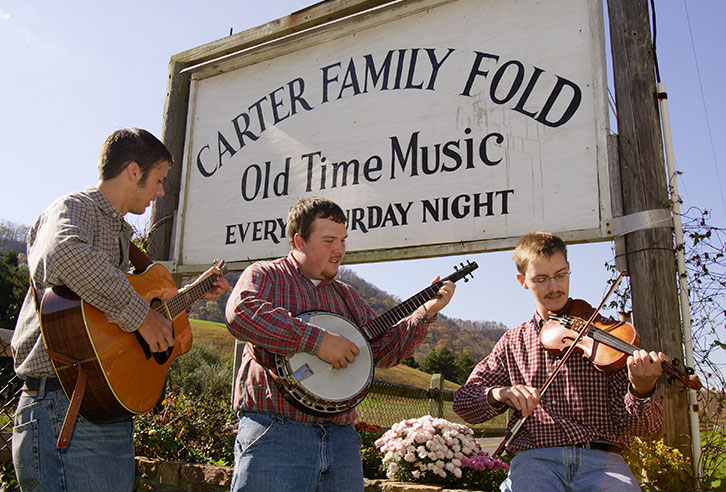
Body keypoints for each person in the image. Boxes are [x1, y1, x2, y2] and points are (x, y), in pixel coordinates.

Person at [11, 128, 230, 492]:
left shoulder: (120, 236)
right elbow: (63, 256)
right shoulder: (75, 207)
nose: (160, 191)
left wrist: (191, 295)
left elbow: (111, 315)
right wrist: (142, 316)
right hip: (63, 407)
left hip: (98, 406)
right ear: (133, 172)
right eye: (158, 180)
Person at [225, 196, 456, 492]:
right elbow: (240, 314)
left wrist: (424, 314)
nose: (340, 250)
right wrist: (317, 341)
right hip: (275, 431)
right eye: (329, 240)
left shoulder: (347, 296)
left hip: (341, 438)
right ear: (299, 241)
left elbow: (383, 352)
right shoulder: (266, 275)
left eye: (343, 240)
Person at [453, 232, 667, 492]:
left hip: (602, 462)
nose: (554, 287)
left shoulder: (607, 336)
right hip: (535, 460)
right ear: (522, 281)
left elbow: (646, 428)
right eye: (541, 279)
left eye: (561, 274)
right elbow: (463, 403)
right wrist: (500, 393)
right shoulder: (513, 341)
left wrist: (642, 390)